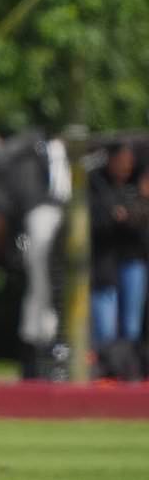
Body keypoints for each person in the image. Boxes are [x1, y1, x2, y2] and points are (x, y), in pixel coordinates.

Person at [89, 142, 149, 368]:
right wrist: (115, 218)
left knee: (130, 325)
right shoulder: (97, 185)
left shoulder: (136, 188)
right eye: (122, 162)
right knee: (106, 327)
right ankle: (108, 368)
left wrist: (129, 216)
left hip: (132, 260)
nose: (126, 167)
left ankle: (128, 367)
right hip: (105, 265)